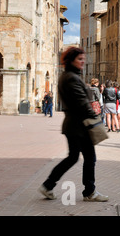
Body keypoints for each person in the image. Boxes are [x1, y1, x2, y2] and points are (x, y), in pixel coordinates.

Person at [38, 47, 108, 202]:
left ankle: (48, 185)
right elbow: (81, 102)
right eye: (80, 59)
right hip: (79, 125)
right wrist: (94, 115)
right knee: (88, 158)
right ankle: (89, 192)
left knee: (74, 157)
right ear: (71, 60)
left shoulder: (67, 76)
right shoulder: (71, 78)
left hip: (73, 125)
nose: (83, 62)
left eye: (84, 59)